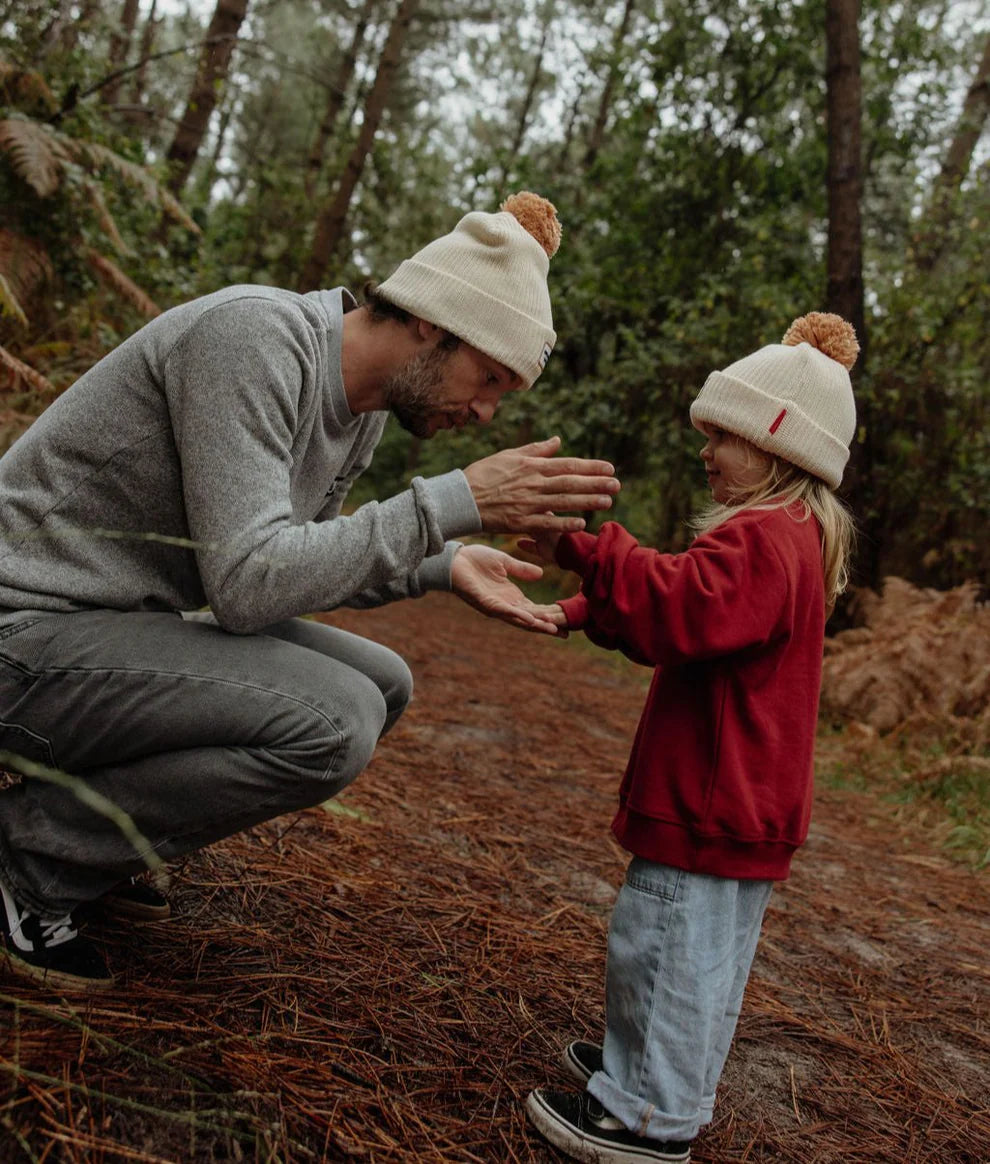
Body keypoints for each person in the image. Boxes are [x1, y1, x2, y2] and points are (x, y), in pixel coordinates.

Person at [0, 192, 621, 992]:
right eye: (489, 376)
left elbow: (300, 558)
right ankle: (28, 862)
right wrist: (446, 503)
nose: (486, 409)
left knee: (384, 684)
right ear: (432, 320)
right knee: (335, 723)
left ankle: (98, 839)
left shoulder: (359, 408)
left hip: (97, 625)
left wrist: (441, 561)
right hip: (22, 628)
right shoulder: (252, 339)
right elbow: (250, 584)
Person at [520, 313, 858, 1163]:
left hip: (713, 802)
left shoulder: (763, 540)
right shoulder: (791, 540)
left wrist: (584, 551)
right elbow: (682, 613)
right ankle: (651, 1075)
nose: (706, 450)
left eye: (725, 436)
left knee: (663, 952)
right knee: (694, 964)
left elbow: (676, 607)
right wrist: (577, 609)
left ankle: (645, 1117)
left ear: (781, 447)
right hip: (742, 804)